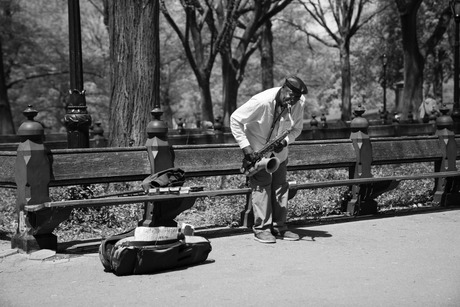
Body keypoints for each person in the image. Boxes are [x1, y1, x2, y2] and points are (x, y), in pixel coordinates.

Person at [230, 76, 308, 243]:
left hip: (279, 153)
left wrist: (285, 142)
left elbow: (297, 129)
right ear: (283, 89)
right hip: (258, 150)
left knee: (280, 187)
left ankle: (280, 227)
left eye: (296, 98)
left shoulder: (298, 102)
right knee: (262, 187)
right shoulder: (261, 101)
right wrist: (247, 148)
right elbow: (235, 119)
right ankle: (262, 229)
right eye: (291, 96)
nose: (293, 101)